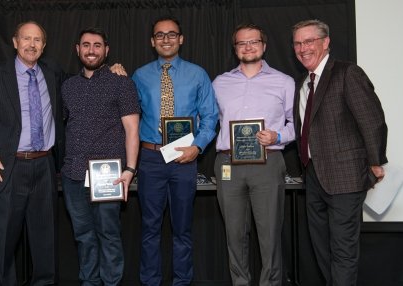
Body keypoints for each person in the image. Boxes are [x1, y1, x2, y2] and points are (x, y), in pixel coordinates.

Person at [291, 19, 387, 285]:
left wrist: (376, 161)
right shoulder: (302, 83)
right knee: (321, 248)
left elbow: (372, 120)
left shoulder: (347, 73)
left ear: (326, 42)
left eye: (309, 41)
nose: (303, 48)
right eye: (298, 43)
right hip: (313, 177)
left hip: (346, 176)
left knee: (343, 249)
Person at [0, 21, 64, 285]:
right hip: (9, 169)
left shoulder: (53, 71)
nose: (31, 45)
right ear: (15, 42)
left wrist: (110, 69)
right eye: (26, 39)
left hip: (44, 166)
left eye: (37, 40)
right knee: (4, 243)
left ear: (43, 46)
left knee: (45, 241)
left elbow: (82, 82)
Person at [132, 16, 218, 286]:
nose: (166, 39)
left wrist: (197, 147)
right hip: (151, 158)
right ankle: (151, 282)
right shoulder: (139, 75)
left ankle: (182, 281)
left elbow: (210, 117)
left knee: (182, 229)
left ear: (181, 38)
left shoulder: (198, 74)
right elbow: (128, 116)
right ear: (152, 41)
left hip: (184, 158)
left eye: (172, 34)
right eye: (160, 35)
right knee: (150, 229)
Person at [212, 23, 295, 286]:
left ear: (264, 45)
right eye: (242, 43)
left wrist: (278, 136)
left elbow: (298, 124)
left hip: (268, 162)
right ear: (235, 48)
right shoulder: (219, 83)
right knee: (234, 234)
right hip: (228, 163)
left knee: (269, 234)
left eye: (254, 42)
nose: (248, 47)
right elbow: (206, 120)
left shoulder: (284, 82)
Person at [60, 27, 140, 286]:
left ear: (106, 50)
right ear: (77, 49)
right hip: (73, 174)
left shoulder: (122, 83)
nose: (91, 50)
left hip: (108, 175)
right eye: (86, 45)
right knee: (83, 236)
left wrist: (129, 170)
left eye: (97, 45)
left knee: (109, 235)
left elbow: (132, 130)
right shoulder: (68, 86)